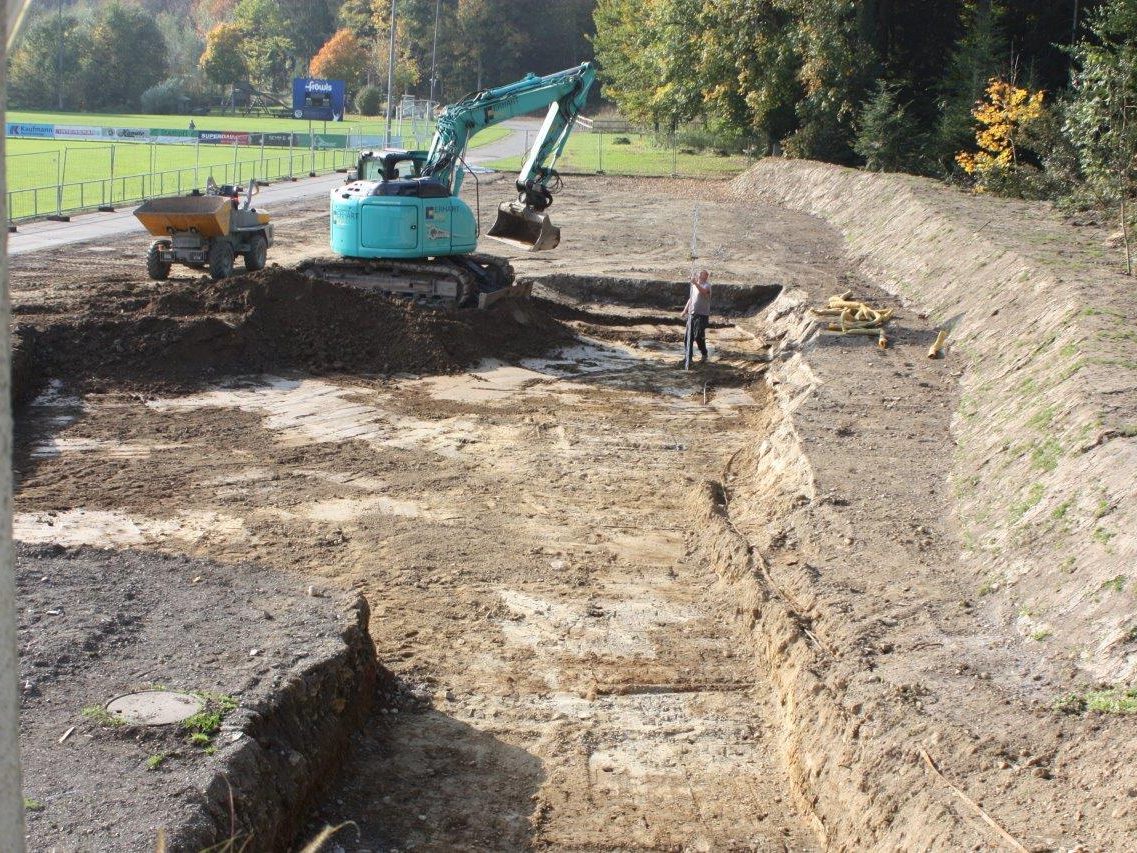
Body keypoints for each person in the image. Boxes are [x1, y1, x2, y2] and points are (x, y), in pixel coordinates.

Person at [681, 269, 712, 364]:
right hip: (692, 314)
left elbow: (704, 293)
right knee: (687, 337)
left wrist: (695, 283)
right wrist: (685, 310)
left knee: (698, 335)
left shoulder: (707, 286)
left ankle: (704, 353)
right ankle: (688, 358)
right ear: (699, 275)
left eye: (706, 275)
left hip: (702, 315)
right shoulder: (694, 286)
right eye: (703, 274)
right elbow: (691, 298)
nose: (706, 276)